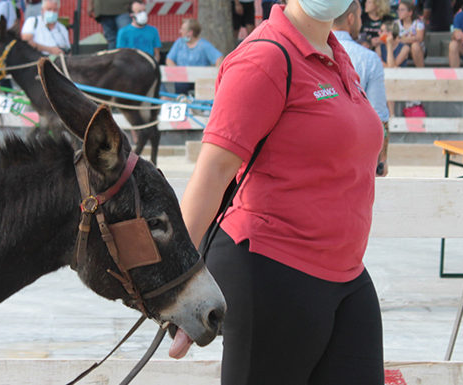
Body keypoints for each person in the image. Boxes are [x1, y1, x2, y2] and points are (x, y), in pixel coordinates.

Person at [173, 0, 384, 382]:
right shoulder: (265, 58)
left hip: (347, 275)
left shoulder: (336, 54)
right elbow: (212, 174)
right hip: (271, 270)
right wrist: (175, 286)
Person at [334, 0, 389, 176]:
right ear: (350, 19)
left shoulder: (309, 50)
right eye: (359, 17)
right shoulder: (369, 59)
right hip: (357, 154)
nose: (361, 21)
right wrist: (382, 161)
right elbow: (380, 116)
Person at [166, 18, 222, 95]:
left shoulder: (204, 45)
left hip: (199, 81)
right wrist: (177, 73)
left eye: (182, 29)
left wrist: (215, 75)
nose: (180, 31)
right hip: (182, 82)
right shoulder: (179, 43)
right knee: (180, 85)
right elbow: (169, 60)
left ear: (190, 32)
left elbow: (219, 58)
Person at [385, 0, 424, 67]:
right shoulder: (396, 23)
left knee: (415, 46)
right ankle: (393, 68)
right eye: (399, 10)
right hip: (401, 48)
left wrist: (401, 38)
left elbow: (419, 38)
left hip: (417, 49)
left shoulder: (418, 23)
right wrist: (411, 38)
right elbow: (395, 39)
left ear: (410, 12)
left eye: (402, 10)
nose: (399, 12)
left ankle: (422, 71)